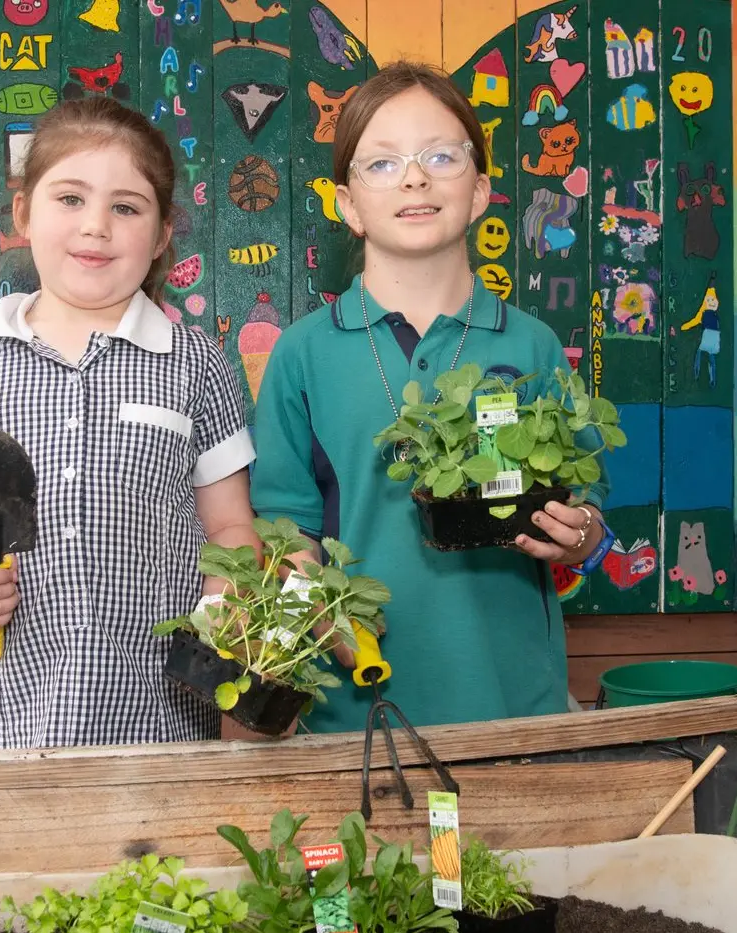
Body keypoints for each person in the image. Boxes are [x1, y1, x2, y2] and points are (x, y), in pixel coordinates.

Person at [250, 62, 615, 733]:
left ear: (479, 191)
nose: (414, 177)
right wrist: (315, 605)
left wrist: (581, 534)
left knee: (495, 846)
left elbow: (591, 505)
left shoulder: (532, 344)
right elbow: (284, 527)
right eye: (382, 163)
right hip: (356, 716)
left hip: (512, 705)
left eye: (440, 156)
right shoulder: (302, 355)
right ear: (348, 204)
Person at [0, 96, 258, 751]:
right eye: (70, 199)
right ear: (22, 213)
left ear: (161, 233)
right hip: (4, 719)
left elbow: (231, 527)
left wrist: (220, 609)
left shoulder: (194, 363)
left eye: (126, 207)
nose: (96, 226)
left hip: (159, 721)